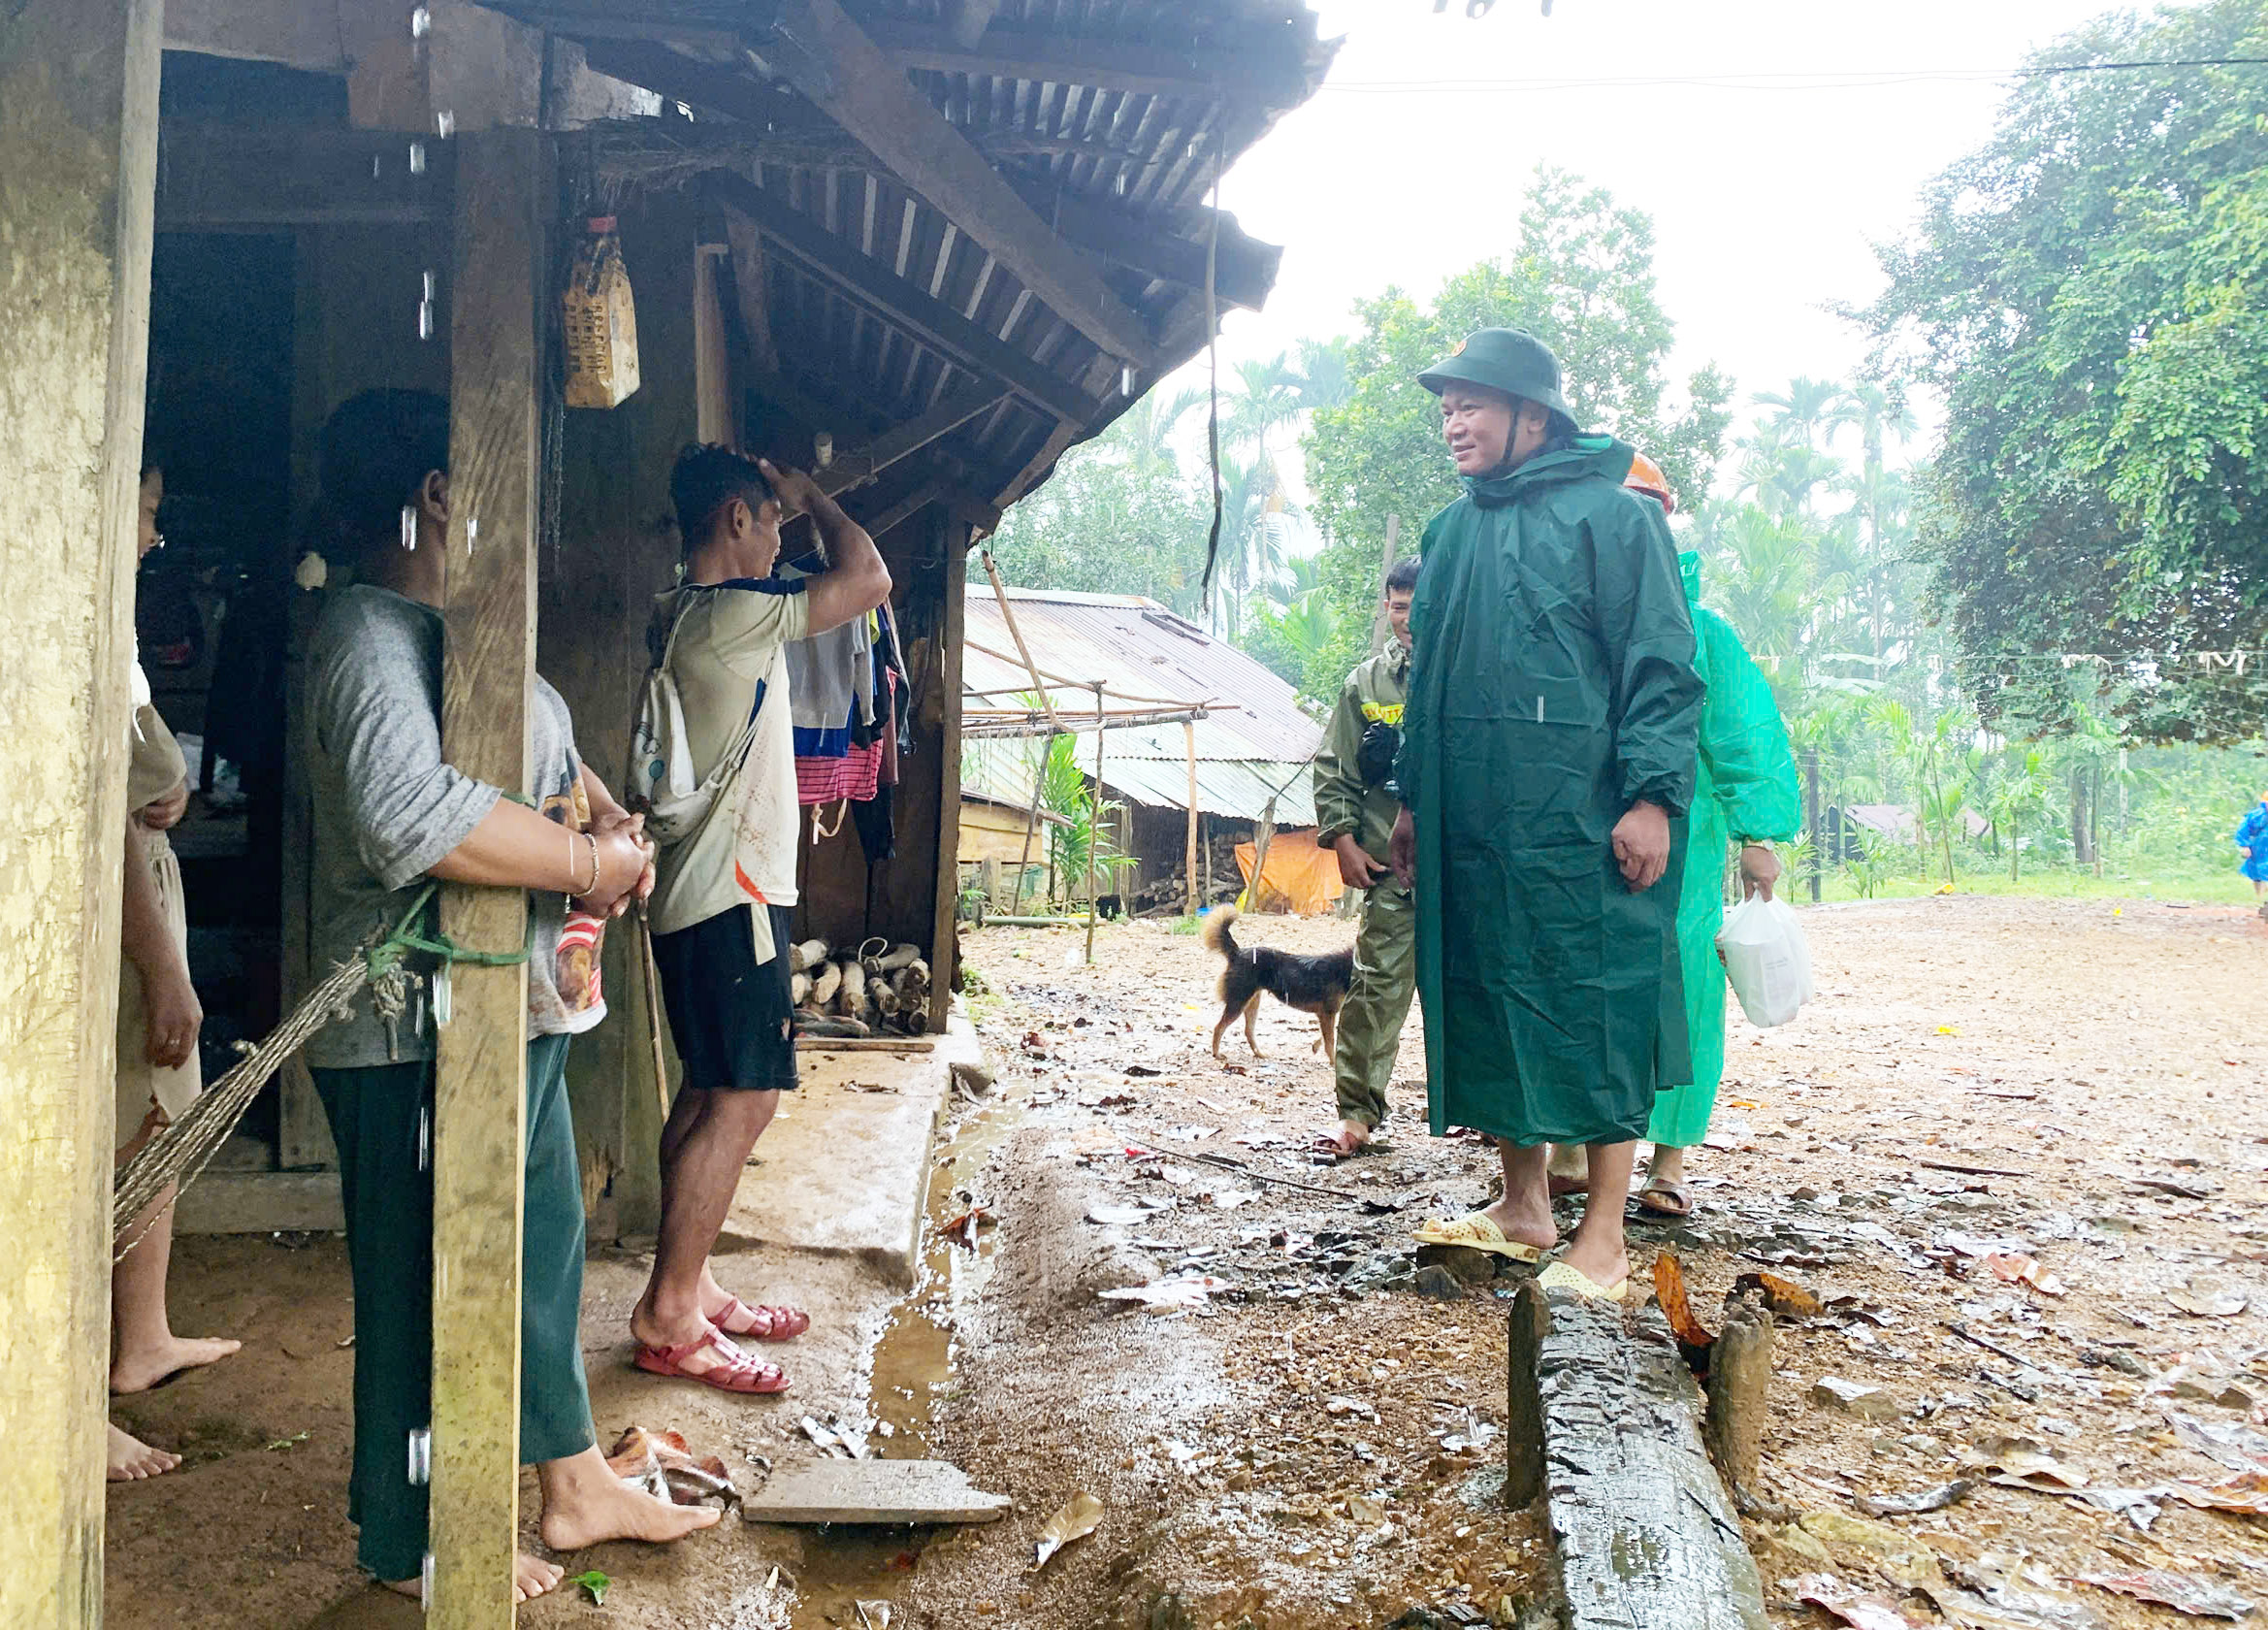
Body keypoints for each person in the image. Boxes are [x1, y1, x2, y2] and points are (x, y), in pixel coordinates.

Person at [304, 389, 718, 1604]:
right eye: (488, 486)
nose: (510, 518)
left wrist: (597, 814)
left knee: (535, 1253)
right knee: (420, 1273)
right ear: (436, 495)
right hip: (406, 1029)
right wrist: (593, 866)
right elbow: (408, 815)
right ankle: (410, 1533)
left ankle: (572, 1479)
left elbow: (528, 757)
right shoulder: (369, 636)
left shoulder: (451, 628)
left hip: (502, 1014)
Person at [1391, 329, 1702, 1303]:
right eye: (1446, 408)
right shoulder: (1451, 534)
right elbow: (1425, 676)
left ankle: (1602, 1235)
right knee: (1488, 986)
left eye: (1471, 405)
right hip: (1473, 814)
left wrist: (1651, 798)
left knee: (1596, 998)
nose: (1453, 424)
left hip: (1587, 812)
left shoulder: (1615, 519)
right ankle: (1524, 1203)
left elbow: (1661, 666)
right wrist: (1409, 797)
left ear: (1534, 416)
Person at [630, 443, 891, 1394]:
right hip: (733, 893)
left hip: (693, 895)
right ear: (736, 519)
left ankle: (687, 1291)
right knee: (745, 1098)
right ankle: (669, 1315)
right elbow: (867, 578)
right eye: (770, 517)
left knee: (707, 1090)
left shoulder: (682, 614)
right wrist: (817, 489)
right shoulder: (738, 615)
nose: (782, 534)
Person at [1620, 454, 1800, 1216]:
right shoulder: (1574, 619)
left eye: (1642, 511)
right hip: (1591, 831)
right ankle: (1576, 1149)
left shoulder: (1706, 631)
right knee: (1598, 984)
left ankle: (1669, 1161)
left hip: (1688, 843)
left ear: (1665, 521)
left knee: (1686, 984)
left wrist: (1759, 834)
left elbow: (1741, 735)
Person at [109, 462, 242, 1482]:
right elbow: (105, 824)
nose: (155, 535)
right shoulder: (73, 623)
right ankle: (66, 1406)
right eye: (149, 511)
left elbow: (152, 790)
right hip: (120, 919)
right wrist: (165, 974)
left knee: (159, 1124)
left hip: (148, 889)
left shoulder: (116, 624)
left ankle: (140, 1338)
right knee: (110, 1147)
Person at [1312, 554, 1420, 1157]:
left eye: (1418, 607)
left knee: (1474, 995)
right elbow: (1335, 767)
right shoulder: (1366, 684)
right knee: (1376, 988)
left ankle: (1492, 1116)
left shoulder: (1468, 673)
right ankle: (1356, 1112)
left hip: (1468, 874)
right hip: (1389, 867)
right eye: (1399, 607)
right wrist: (1343, 840)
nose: (1408, 620)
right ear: (1387, 607)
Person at [2236, 794, 2268, 919]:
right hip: (2258, 849)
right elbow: (2243, 830)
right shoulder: (2256, 816)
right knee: (2256, 874)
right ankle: (2259, 897)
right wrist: (2244, 846)